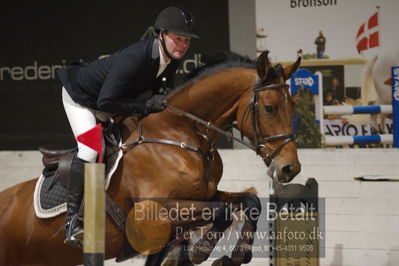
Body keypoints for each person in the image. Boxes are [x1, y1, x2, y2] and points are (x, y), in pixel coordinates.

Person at [57, 6, 199, 247]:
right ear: (161, 35)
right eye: (178, 39)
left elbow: (160, 94)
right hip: (82, 100)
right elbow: (105, 101)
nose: (183, 45)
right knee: (90, 151)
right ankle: (72, 222)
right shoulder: (135, 58)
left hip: (108, 104)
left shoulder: (171, 59)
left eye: (186, 40)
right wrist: (145, 107)